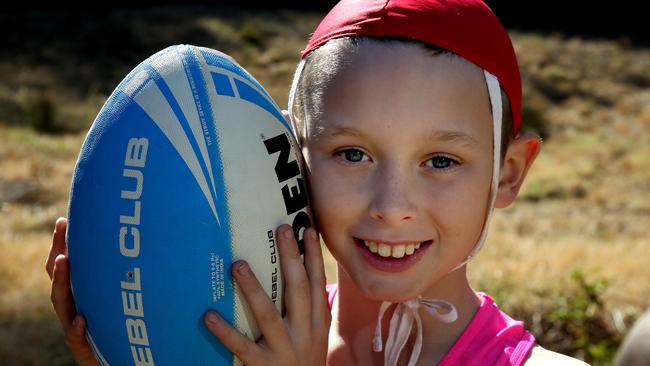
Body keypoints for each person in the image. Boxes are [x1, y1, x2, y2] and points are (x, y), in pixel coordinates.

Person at [45, 0, 591, 364]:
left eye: (441, 161)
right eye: (351, 153)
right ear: (288, 156)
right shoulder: (229, 338)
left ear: (508, 172)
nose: (392, 206)